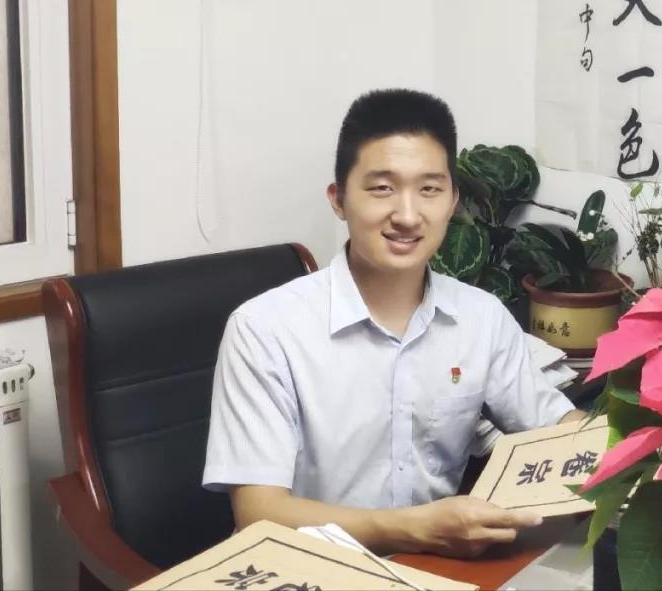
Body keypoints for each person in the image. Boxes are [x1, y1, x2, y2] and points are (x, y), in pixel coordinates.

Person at [203, 88, 584, 558]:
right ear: (339, 199)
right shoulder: (264, 330)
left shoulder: (481, 317)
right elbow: (259, 513)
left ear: (453, 201)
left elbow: (558, 429)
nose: (407, 215)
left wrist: (644, 439)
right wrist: (412, 530)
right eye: (382, 188)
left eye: (429, 189)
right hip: (309, 571)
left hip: (439, 571)